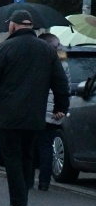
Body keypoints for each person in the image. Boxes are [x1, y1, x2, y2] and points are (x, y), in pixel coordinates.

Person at [0, 10, 69, 206]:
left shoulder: (4, 48)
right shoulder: (47, 51)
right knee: (28, 154)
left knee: (12, 156)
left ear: (13, 26)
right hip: (35, 112)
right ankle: (24, 190)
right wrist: (61, 106)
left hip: (9, 112)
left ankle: (18, 200)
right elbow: (60, 81)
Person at [36, 32, 70, 191]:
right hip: (55, 109)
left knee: (32, 145)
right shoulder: (63, 62)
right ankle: (44, 181)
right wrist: (61, 108)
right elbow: (64, 87)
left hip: (39, 108)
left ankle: (29, 179)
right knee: (47, 146)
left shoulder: (40, 61)